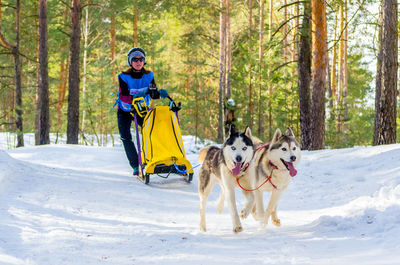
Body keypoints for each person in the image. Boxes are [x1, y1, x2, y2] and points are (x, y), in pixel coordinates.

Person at [117, 47, 168, 176]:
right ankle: (135, 165)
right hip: (125, 110)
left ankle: (153, 160)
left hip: (141, 110)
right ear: (130, 62)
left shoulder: (148, 75)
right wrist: (139, 94)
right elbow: (124, 96)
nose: (138, 62)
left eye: (141, 59)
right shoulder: (123, 77)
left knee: (151, 132)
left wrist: (159, 93)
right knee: (125, 137)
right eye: (135, 59)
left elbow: (153, 93)